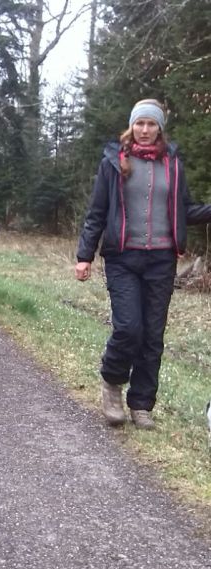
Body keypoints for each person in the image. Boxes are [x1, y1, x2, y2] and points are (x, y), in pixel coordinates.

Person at [75, 99, 211, 429]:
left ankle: (141, 404)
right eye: (140, 124)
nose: (145, 130)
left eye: (151, 124)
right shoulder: (114, 161)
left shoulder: (173, 164)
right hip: (123, 257)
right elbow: (96, 213)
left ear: (160, 128)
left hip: (162, 260)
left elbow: (186, 210)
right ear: (131, 126)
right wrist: (84, 255)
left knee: (152, 335)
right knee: (128, 328)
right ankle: (111, 383)